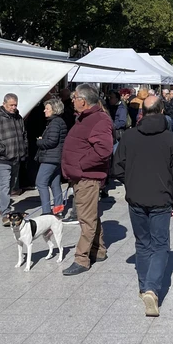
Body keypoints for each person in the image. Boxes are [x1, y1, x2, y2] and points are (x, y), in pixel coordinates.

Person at [114, 96, 173, 317]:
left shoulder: (129, 136)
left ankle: (145, 286)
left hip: (136, 197)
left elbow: (116, 167)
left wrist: (131, 181)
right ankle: (152, 288)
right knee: (160, 244)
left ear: (142, 111)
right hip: (161, 199)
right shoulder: (170, 138)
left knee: (142, 243)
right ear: (162, 110)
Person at [60, 84, 113, 276]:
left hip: (87, 177)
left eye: (74, 97)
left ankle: (81, 259)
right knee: (90, 215)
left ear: (83, 100)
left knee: (86, 219)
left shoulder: (98, 119)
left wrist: (81, 165)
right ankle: (99, 250)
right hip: (81, 176)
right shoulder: (85, 118)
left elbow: (104, 150)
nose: (72, 101)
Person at [0, 93, 27, 222]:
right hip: (3, 159)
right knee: (5, 185)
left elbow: (24, 135)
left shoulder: (18, 118)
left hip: (16, 157)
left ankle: (2, 207)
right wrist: (2, 150)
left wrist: (24, 149)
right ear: (4, 104)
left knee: (11, 185)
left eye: (15, 105)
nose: (13, 107)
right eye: (11, 105)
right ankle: (5, 211)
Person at [35, 98, 67, 216]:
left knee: (41, 183)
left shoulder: (54, 123)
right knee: (54, 183)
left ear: (54, 109)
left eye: (47, 108)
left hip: (51, 157)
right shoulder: (59, 121)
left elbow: (52, 141)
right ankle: (58, 209)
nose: (44, 110)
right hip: (57, 157)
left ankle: (46, 211)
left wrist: (40, 141)